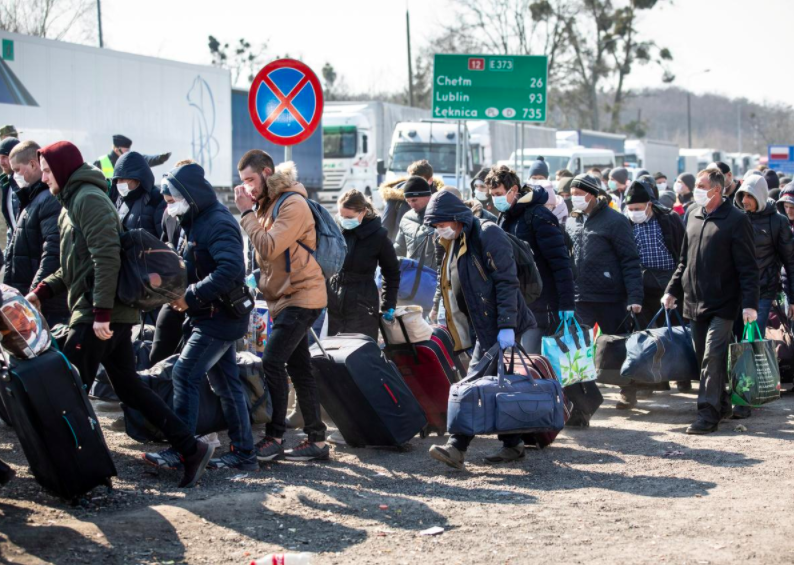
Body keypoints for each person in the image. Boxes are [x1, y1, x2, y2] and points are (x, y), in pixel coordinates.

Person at [27, 141, 213, 488]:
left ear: (64, 168)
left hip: (101, 315)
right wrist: (40, 292)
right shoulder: (70, 204)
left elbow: (107, 257)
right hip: (103, 311)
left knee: (66, 391)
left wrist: (100, 314)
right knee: (130, 389)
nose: (44, 176)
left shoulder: (88, 199)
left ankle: (81, 472)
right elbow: (75, 267)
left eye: (48, 170)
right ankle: (191, 448)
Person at [143, 162, 255, 471]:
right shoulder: (191, 219)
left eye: (170, 201)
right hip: (207, 315)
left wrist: (189, 296)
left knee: (184, 374)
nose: (168, 208)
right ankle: (244, 453)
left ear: (187, 196)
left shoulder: (216, 221)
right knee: (227, 386)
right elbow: (189, 263)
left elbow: (231, 269)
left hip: (220, 317)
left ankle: (184, 450)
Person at [424, 191, 536, 468]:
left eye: (442, 224)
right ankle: (514, 444)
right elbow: (448, 282)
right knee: (497, 384)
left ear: (459, 218)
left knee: (473, 384)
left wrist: (507, 326)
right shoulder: (454, 240)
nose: (440, 229)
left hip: (498, 325)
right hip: (480, 323)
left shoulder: (488, 234)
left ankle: (457, 446)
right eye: (436, 226)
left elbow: (507, 283)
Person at [234, 153, 329, 463]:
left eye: (250, 180)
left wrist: (246, 213)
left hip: (303, 296)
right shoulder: (267, 204)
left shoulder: (292, 204)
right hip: (284, 298)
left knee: (272, 362)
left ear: (266, 173)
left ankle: (275, 436)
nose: (247, 188)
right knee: (300, 368)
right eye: (243, 182)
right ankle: (316, 439)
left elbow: (270, 246)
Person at [663, 167, 759, 435]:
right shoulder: (693, 214)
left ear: (717, 190)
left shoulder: (737, 220)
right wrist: (672, 290)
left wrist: (750, 303)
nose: (697, 190)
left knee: (712, 358)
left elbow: (748, 268)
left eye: (703, 186)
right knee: (702, 357)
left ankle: (707, 415)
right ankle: (723, 401)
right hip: (693, 303)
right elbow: (684, 260)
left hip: (724, 304)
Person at [487, 165, 575, 353]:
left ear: (514, 190)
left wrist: (567, 303)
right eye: (492, 194)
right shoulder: (504, 216)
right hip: (518, 304)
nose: (496, 199)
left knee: (536, 363)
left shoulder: (538, 215)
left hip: (542, 304)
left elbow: (560, 262)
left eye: (498, 193)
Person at [620, 177, 686, 405]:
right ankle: (652, 380)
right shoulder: (626, 223)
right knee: (648, 332)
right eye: (630, 209)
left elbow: (681, 250)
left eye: (638, 208)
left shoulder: (669, 219)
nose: (634, 213)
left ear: (649, 204)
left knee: (675, 329)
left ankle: (682, 374)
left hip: (668, 279)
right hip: (641, 282)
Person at [5, 141, 69, 326]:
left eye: (17, 169)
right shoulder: (31, 199)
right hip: (33, 300)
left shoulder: (48, 200)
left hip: (46, 304)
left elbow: (53, 253)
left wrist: (35, 293)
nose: (15, 176)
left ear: (33, 164)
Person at [328, 189, 400, 340]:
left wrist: (389, 304)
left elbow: (391, 271)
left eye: (349, 217)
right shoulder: (336, 230)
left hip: (362, 301)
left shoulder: (378, 236)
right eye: (341, 215)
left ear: (363, 212)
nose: (344, 220)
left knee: (359, 349)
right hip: (334, 297)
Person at [111, 151, 166, 237]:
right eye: (117, 180)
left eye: (122, 179)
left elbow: (165, 239)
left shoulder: (156, 199)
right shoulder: (121, 200)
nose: (119, 183)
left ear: (137, 178)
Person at [394, 176, 438, 270]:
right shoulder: (406, 218)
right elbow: (399, 248)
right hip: (412, 278)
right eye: (408, 201)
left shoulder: (441, 217)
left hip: (435, 279)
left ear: (428, 196)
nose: (411, 204)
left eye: (414, 200)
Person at [93, 134, 171, 180]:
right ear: (117, 149)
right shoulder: (100, 162)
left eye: (128, 150)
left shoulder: (129, 159)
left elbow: (144, 159)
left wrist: (159, 158)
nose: (128, 152)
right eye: (126, 150)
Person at [0, 137, 21, 265]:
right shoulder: (6, 185)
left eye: (5, 157)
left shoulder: (27, 186)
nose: (1, 162)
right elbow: (11, 228)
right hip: (14, 255)